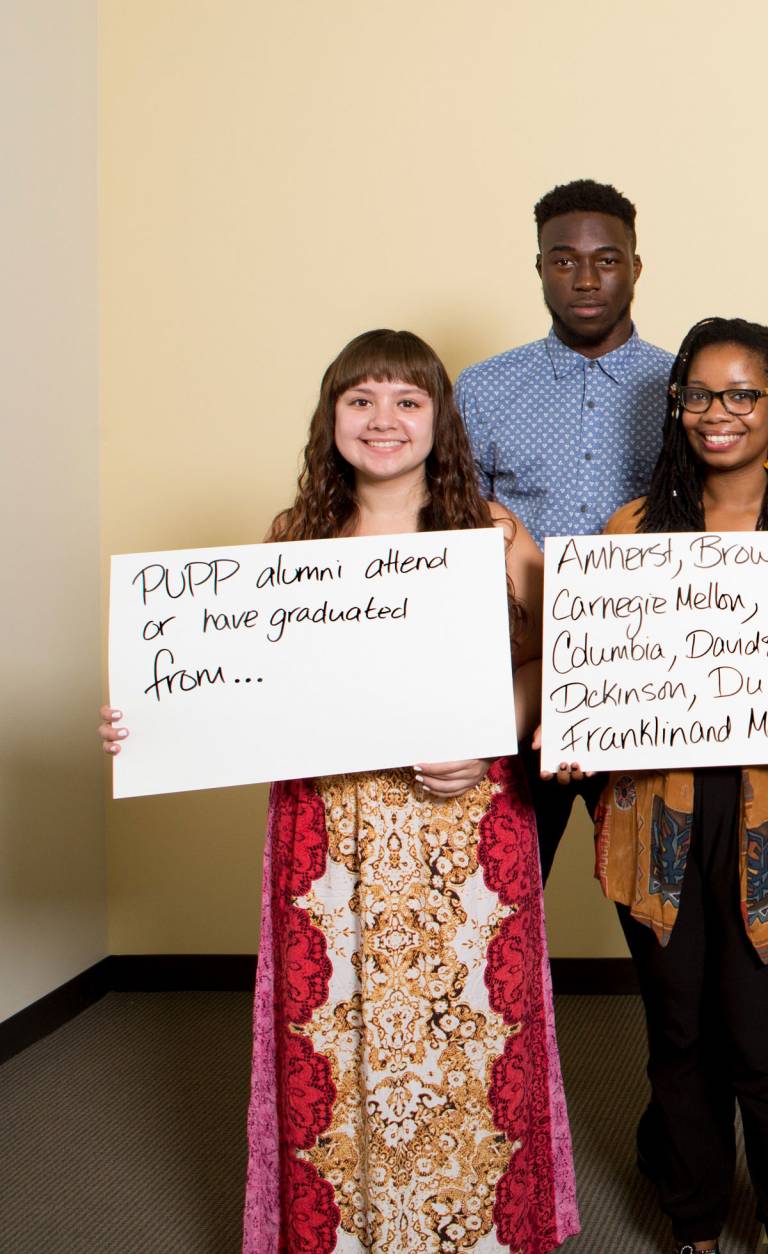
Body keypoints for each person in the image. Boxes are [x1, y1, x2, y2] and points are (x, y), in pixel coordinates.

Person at [101, 329, 575, 1253]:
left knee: (469, 1026)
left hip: (463, 819)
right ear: (332, 419)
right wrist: (148, 723)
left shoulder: (492, 530)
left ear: (441, 419)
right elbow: (234, 680)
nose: (384, 420)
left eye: (407, 399)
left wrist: (487, 739)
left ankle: (476, 1231)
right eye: (361, 400)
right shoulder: (294, 538)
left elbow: (551, 660)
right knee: (339, 1025)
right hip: (327, 824)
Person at [545, 318, 768, 1254]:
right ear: (677, 406)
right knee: (681, 1041)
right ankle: (694, 1228)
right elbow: (593, 687)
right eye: (699, 395)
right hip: (660, 820)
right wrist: (572, 732)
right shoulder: (628, 534)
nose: (717, 415)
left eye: (741, 396)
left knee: (767, 1048)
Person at [456, 177, 674, 879]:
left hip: (643, 673)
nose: (585, 278)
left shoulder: (684, 391)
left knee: (658, 899)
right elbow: (457, 535)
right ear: (540, 267)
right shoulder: (483, 388)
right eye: (563, 259)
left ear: (635, 267)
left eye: (606, 259)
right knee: (501, 894)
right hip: (518, 676)